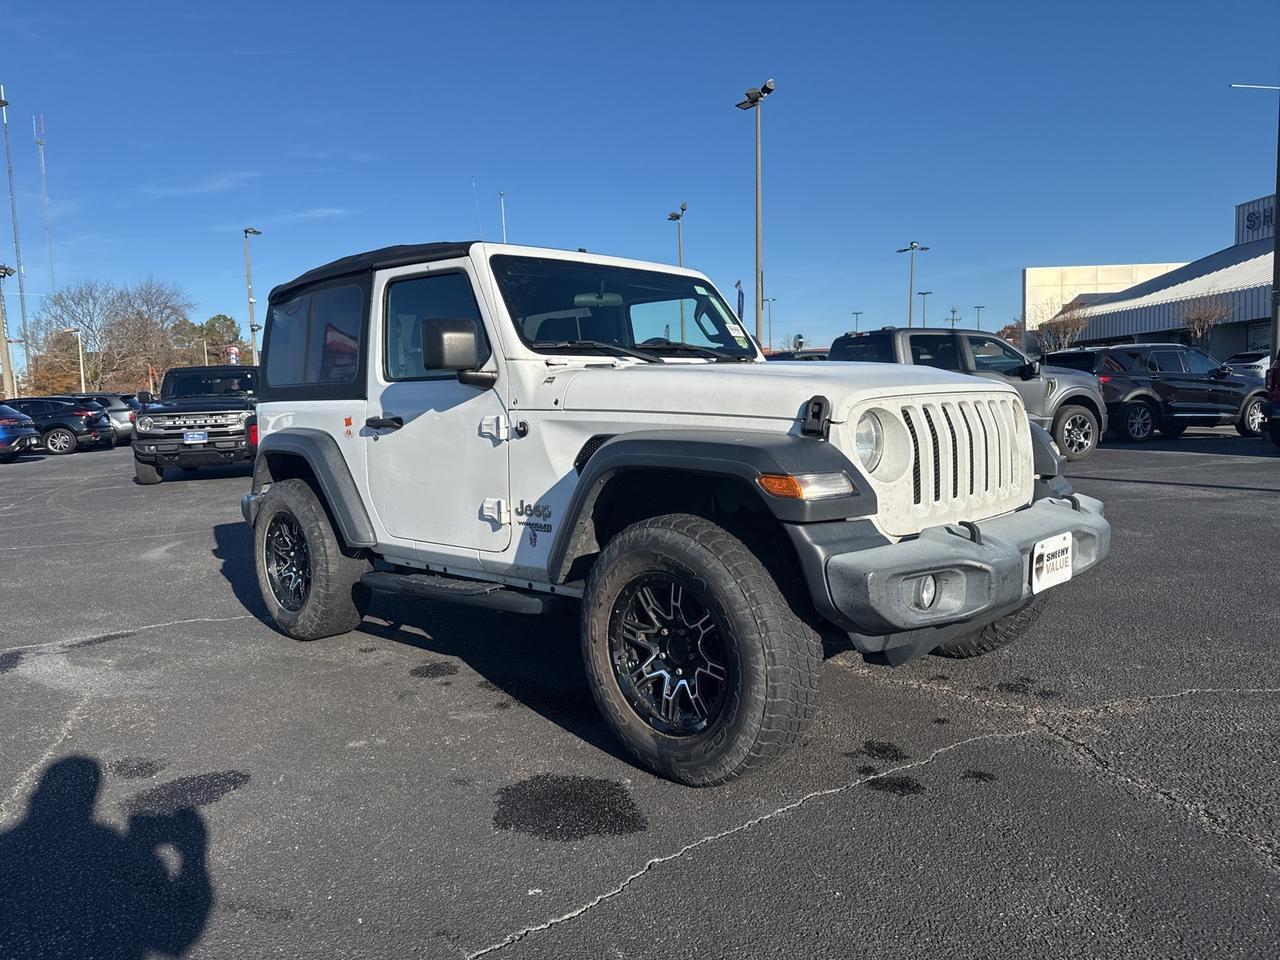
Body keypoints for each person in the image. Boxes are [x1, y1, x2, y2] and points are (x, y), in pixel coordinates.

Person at [0, 756, 212, 959]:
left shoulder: (6, 846)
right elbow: (175, 938)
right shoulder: (109, 846)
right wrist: (193, 854)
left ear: (36, 795)